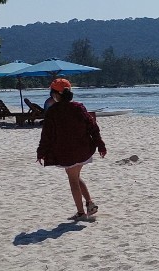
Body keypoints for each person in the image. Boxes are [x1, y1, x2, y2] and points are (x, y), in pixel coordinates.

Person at [36, 78, 107, 222]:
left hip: (67, 152)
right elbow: (93, 127)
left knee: (73, 180)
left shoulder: (53, 112)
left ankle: (81, 213)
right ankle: (90, 204)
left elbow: (46, 135)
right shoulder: (79, 107)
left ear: (55, 95)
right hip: (83, 149)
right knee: (75, 176)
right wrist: (100, 145)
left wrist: (41, 152)